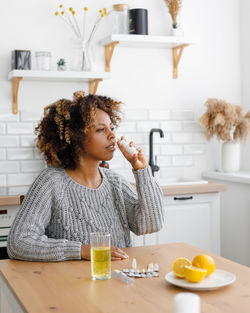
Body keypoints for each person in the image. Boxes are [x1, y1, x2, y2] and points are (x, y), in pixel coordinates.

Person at [7, 91, 164, 262]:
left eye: (111, 128)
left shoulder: (115, 182)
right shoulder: (51, 182)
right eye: (100, 129)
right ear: (76, 138)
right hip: (71, 285)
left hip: (119, 280)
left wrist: (142, 171)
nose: (112, 135)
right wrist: (82, 251)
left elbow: (151, 224)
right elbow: (19, 242)